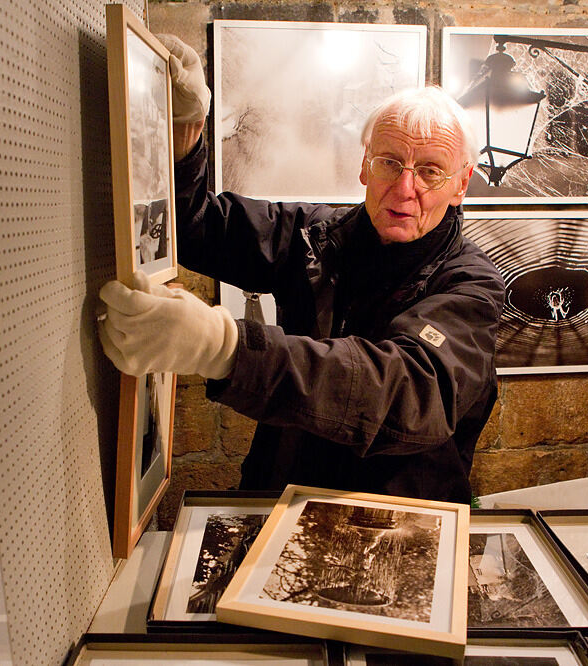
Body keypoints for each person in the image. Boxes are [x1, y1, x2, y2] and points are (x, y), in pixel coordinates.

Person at [98, 35, 504, 503]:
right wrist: (183, 132)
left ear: (461, 185)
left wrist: (226, 348)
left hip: (402, 523)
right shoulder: (313, 235)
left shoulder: (472, 284)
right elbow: (193, 225)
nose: (405, 187)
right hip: (281, 500)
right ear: (364, 166)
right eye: (390, 162)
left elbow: (409, 394)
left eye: (430, 170)